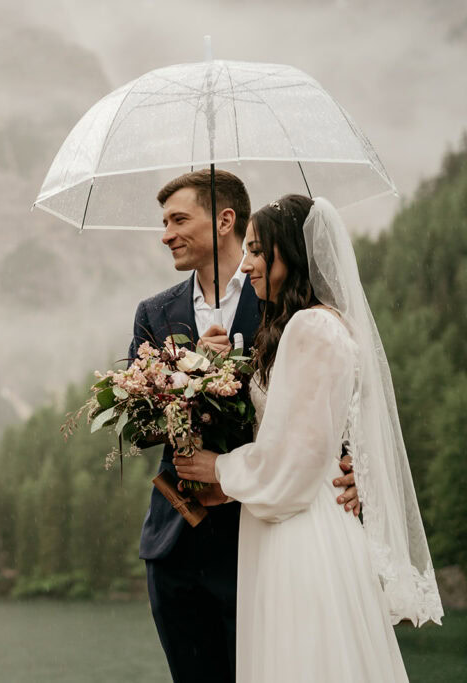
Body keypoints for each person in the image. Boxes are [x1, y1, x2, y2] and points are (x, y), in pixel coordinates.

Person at [174, 195, 443, 682]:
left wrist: (216, 468)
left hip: (300, 527)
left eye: (258, 249)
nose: (248, 263)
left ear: (292, 252)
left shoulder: (311, 327)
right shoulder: (311, 324)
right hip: (290, 517)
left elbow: (293, 461)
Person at [127, 171, 360, 682]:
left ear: (225, 220)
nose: (166, 233)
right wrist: (185, 370)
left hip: (263, 530)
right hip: (175, 540)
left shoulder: (286, 302)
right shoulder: (153, 312)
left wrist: (355, 463)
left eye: (178, 219)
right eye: (163, 222)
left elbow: (328, 397)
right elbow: (137, 427)